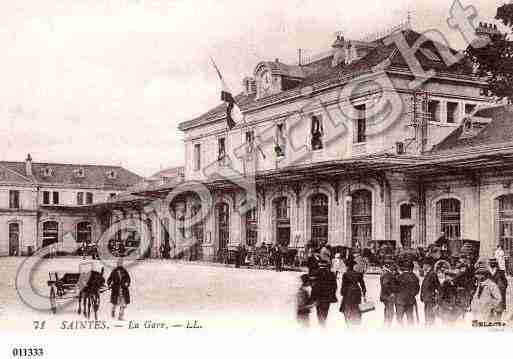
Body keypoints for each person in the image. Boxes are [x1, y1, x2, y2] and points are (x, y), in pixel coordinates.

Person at [310, 260, 337, 327]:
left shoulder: (314, 273)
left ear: (319, 265)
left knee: (318, 311)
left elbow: (312, 285)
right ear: (326, 266)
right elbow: (335, 286)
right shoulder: (331, 274)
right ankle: (323, 324)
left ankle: (321, 324)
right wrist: (332, 294)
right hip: (327, 297)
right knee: (325, 312)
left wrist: (313, 297)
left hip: (318, 296)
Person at [340, 259, 366, 326]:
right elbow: (363, 286)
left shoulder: (345, 274)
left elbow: (343, 286)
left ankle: (349, 322)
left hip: (349, 292)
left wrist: (342, 293)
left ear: (347, 267)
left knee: (348, 308)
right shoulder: (359, 274)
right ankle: (356, 321)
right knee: (356, 307)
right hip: (357, 292)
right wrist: (364, 294)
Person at [395, 259, 420, 326]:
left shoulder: (399, 277)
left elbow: (395, 288)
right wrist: (412, 295)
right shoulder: (415, 277)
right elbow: (417, 289)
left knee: (399, 319)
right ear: (412, 268)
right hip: (410, 301)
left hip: (400, 302)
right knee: (410, 319)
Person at [420, 258, 440, 326]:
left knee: (429, 313)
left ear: (428, 265)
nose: (423, 266)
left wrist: (434, 295)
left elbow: (437, 286)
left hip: (430, 298)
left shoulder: (432, 274)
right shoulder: (429, 273)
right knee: (427, 312)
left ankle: (429, 325)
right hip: (427, 297)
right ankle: (428, 324)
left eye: (424, 265)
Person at [380, 258, 398, 327]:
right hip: (388, 296)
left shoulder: (385, 273)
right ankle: (388, 325)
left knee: (387, 309)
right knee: (390, 311)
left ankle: (386, 323)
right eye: (392, 265)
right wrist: (391, 293)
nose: (394, 267)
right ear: (389, 266)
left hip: (384, 295)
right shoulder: (388, 274)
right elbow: (386, 284)